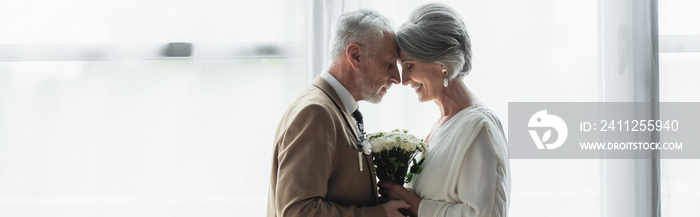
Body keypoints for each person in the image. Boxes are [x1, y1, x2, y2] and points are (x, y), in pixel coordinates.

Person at [267, 9, 410, 217]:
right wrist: (379, 214)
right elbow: (298, 211)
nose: (397, 78)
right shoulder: (315, 113)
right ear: (356, 55)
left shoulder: (337, 110)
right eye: (389, 63)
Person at [378, 3, 511, 217]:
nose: (403, 80)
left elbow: (485, 214)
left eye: (409, 66)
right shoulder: (444, 122)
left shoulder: (479, 129)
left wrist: (416, 205)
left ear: (442, 64)